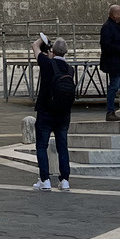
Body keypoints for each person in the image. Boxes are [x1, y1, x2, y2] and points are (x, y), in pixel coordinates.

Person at [32, 34, 75, 191]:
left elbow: (35, 46)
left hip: (46, 112)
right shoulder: (70, 70)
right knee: (62, 146)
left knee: (42, 146)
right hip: (64, 114)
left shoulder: (47, 64)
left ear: (53, 51)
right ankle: (65, 181)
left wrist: (43, 39)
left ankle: (45, 180)